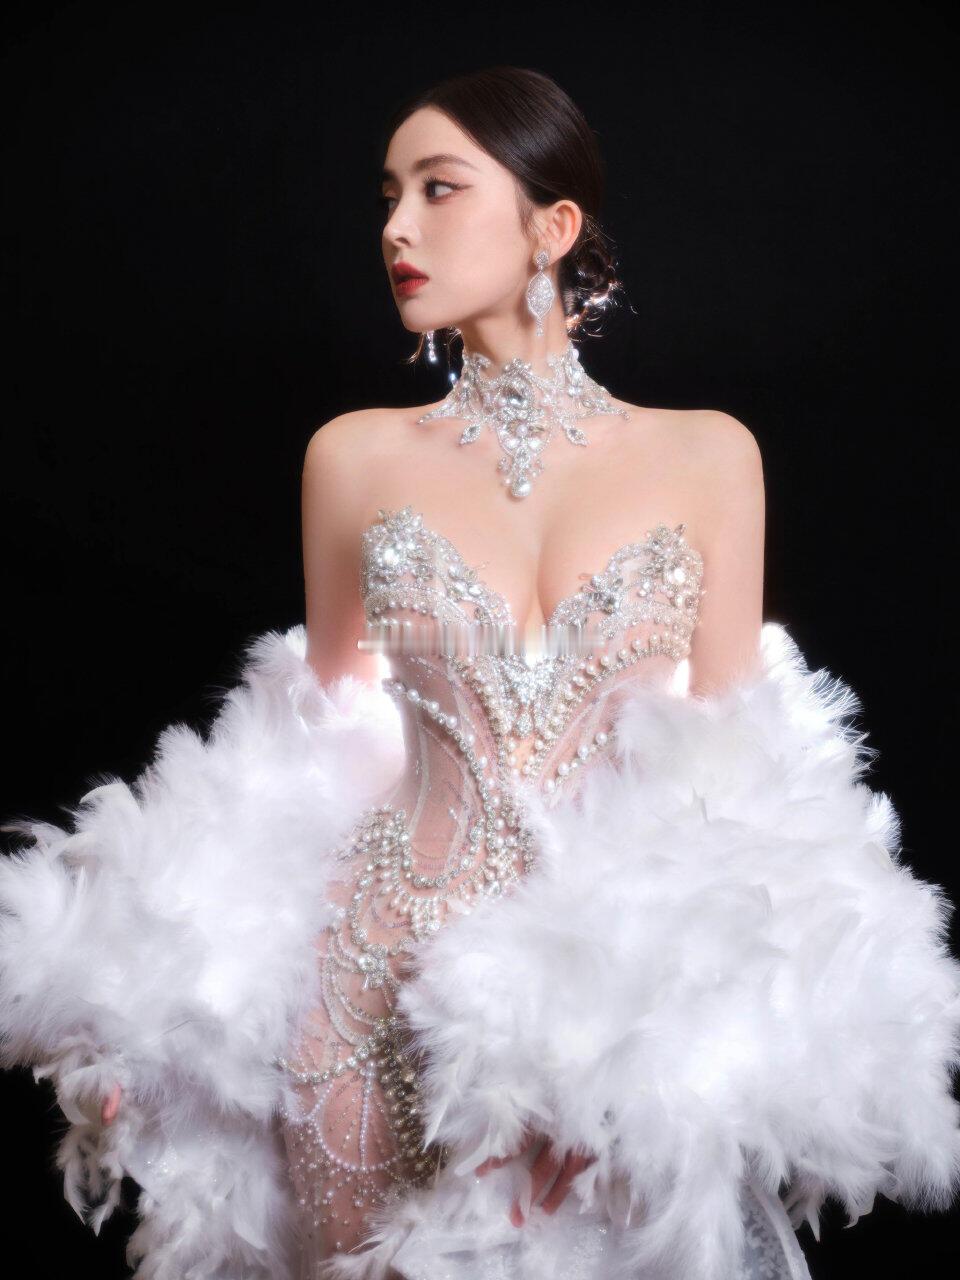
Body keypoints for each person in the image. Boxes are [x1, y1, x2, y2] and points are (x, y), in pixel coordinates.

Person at [2, 65, 959, 1280]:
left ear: (551, 228)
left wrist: (643, 1049)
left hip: (599, 1019)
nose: (396, 228)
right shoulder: (352, 459)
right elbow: (296, 743)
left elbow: (742, 783)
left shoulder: (711, 458)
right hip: (367, 993)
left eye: (438, 189)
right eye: (388, 195)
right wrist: (153, 997)